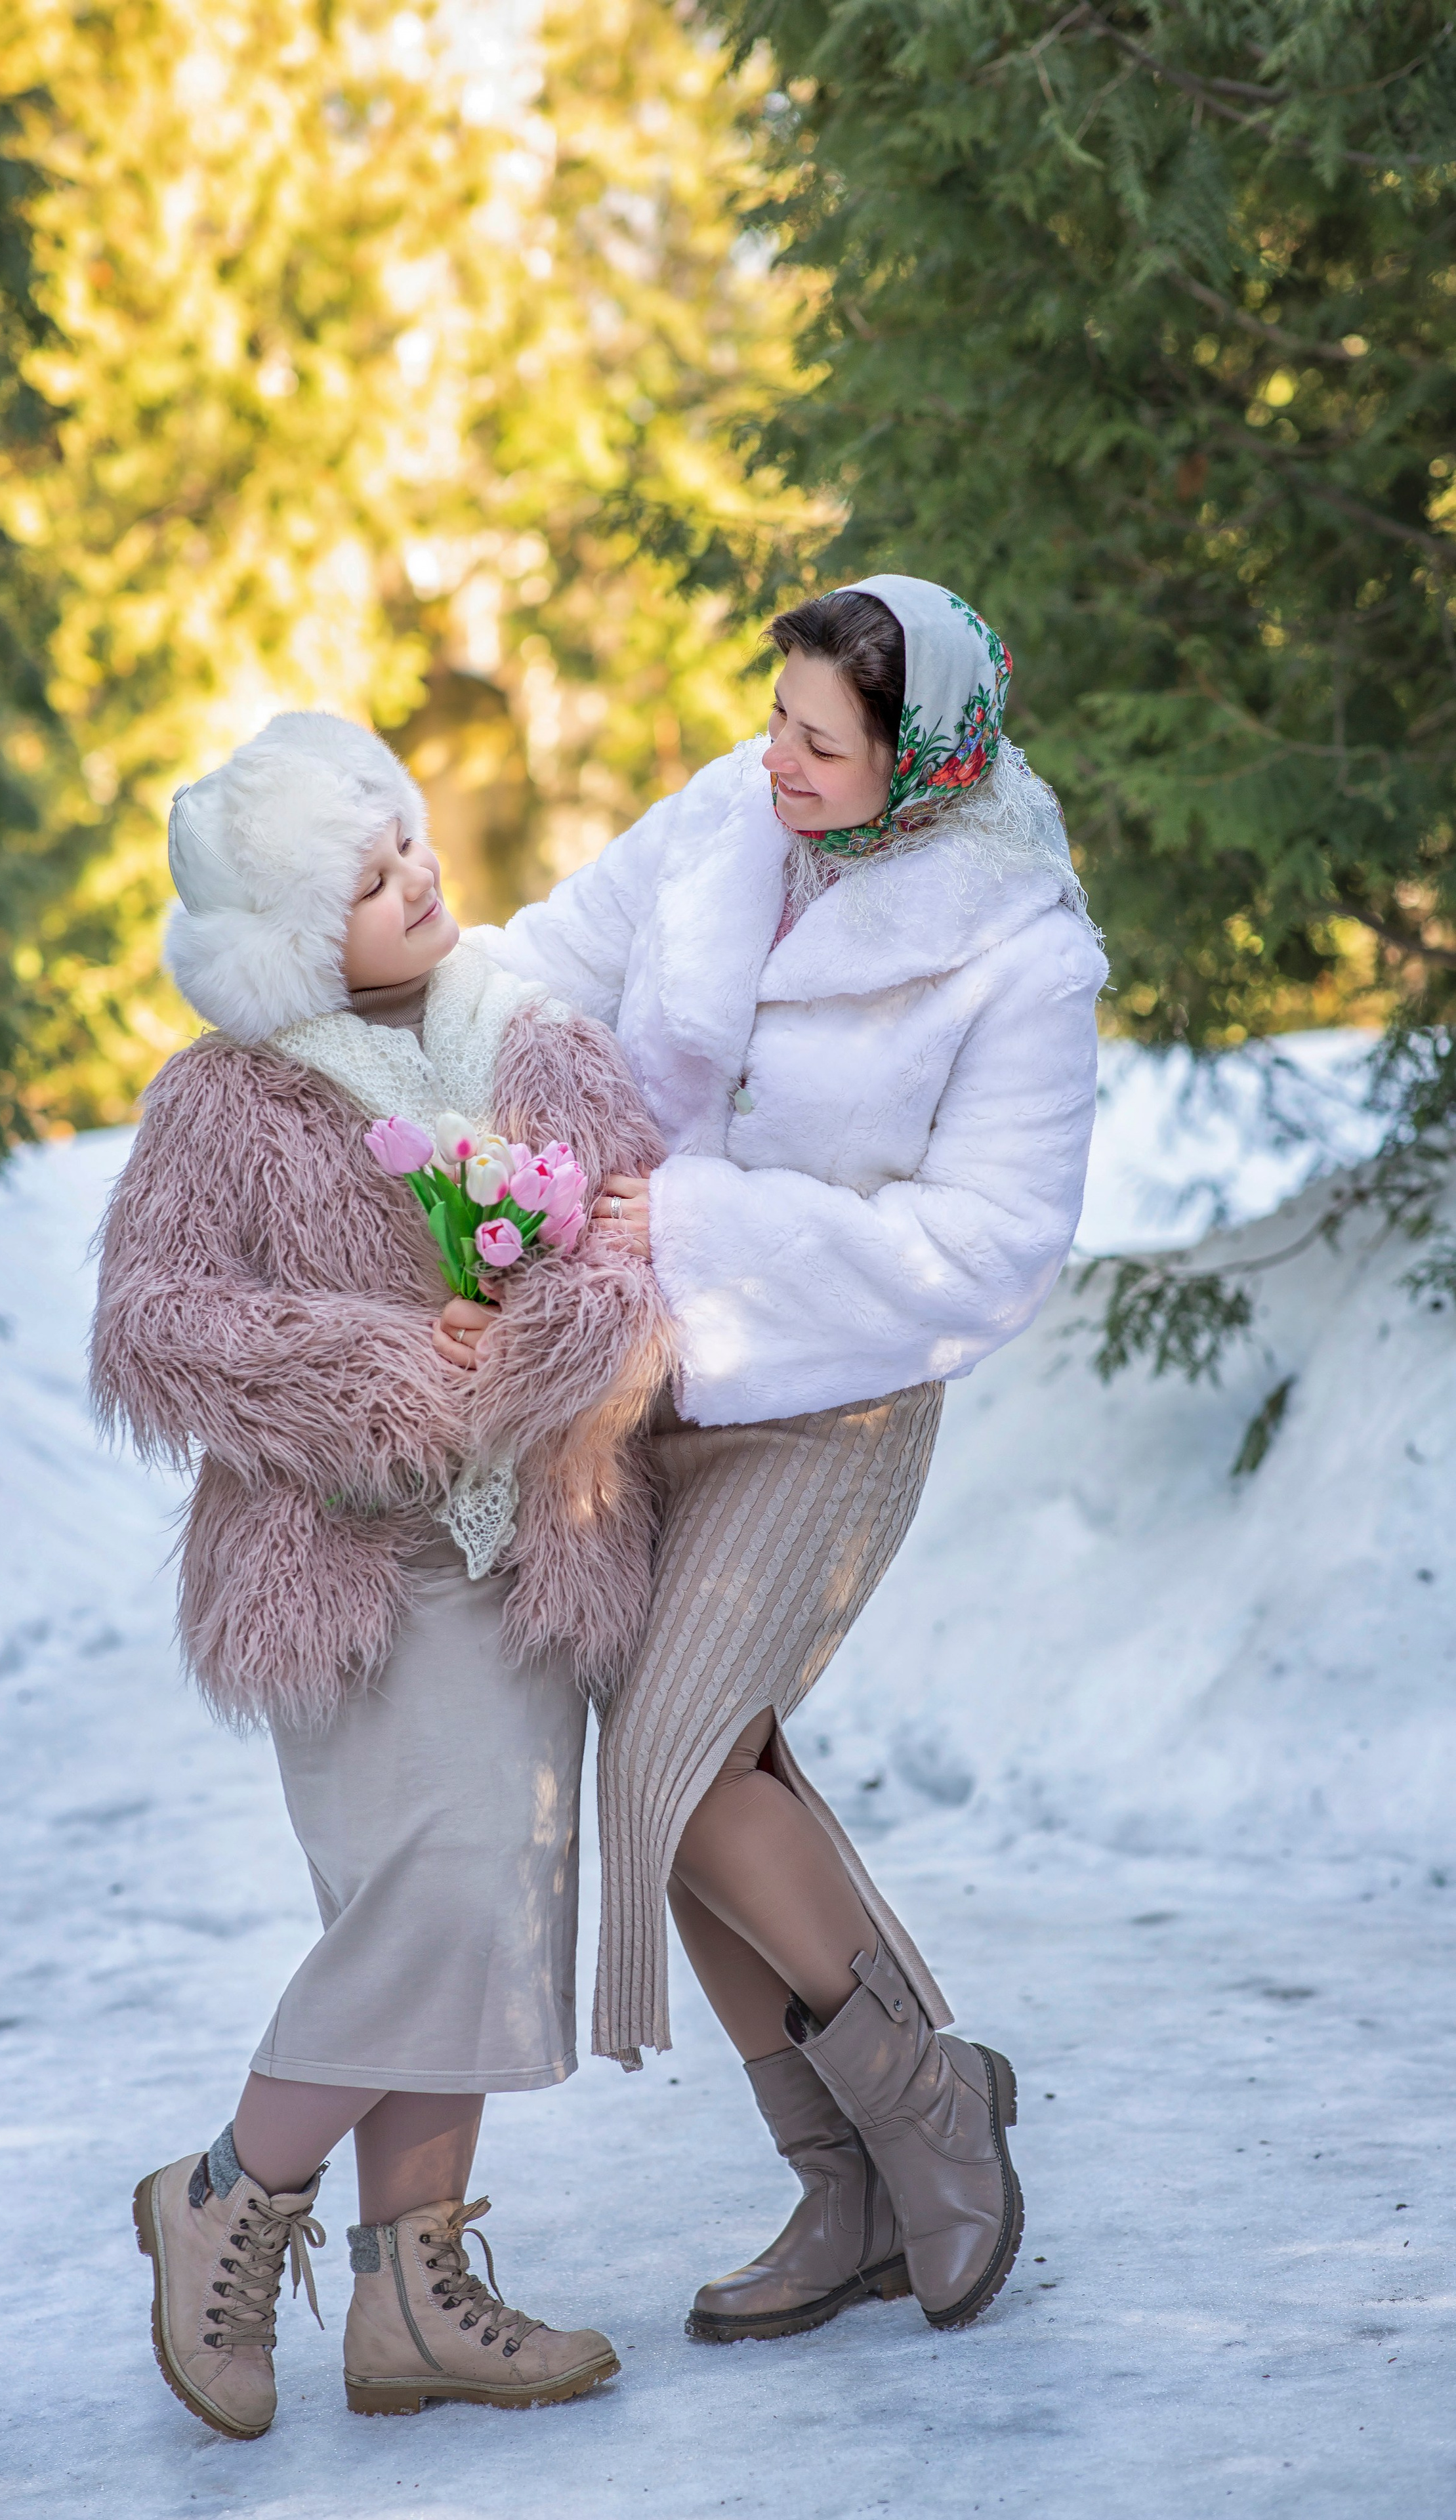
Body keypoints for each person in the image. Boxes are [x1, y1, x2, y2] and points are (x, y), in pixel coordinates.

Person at [473, 575, 1108, 2339]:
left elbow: (989, 1250)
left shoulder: (1020, 956)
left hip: (839, 1397)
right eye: (774, 717)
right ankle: (855, 2194)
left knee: (668, 1757)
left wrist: (688, 1221)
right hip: (647, 1385)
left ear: (931, 765)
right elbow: (536, 980)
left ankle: (931, 2109)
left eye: (822, 742)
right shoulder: (716, 826)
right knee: (690, 1767)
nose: (778, 761)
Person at [91, 711, 674, 2433]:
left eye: (412, 845)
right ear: (283, 931)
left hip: (528, 1550)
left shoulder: (539, 1044)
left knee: (495, 1905)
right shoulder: (226, 1102)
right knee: (421, 1899)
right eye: (366, 875)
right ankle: (228, 2192)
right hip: (343, 1553)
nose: (417, 879)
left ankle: (412, 2295)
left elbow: (640, 1248)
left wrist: (548, 1329)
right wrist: (394, 1364)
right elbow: (154, 1329)